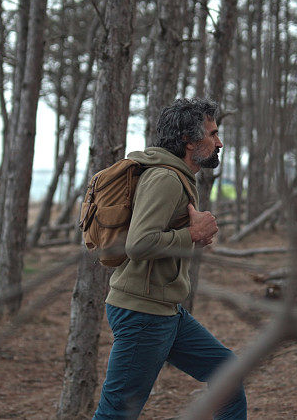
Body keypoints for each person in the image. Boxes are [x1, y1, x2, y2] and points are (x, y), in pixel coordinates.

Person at [93, 98, 246, 419]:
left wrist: (193, 236)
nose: (219, 142)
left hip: (165, 311)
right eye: (212, 134)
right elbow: (139, 244)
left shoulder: (178, 175)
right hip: (143, 313)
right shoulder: (165, 178)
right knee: (117, 412)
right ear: (188, 141)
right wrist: (191, 234)